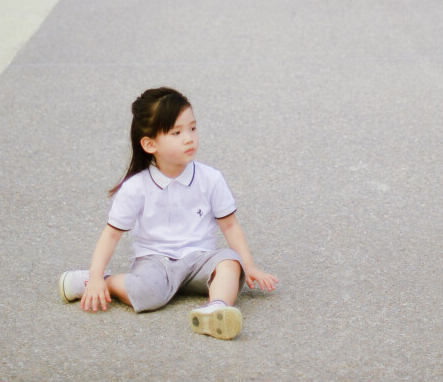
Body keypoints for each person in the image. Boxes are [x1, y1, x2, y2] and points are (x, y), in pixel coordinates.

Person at [58, 87, 278, 340]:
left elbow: (229, 225)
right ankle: (98, 283)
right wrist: (96, 276)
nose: (189, 138)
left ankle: (216, 309)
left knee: (230, 263)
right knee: (148, 295)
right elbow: (111, 236)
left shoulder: (210, 178)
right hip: (155, 261)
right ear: (150, 144)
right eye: (176, 132)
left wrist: (249, 266)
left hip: (200, 259)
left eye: (192, 128)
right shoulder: (136, 187)